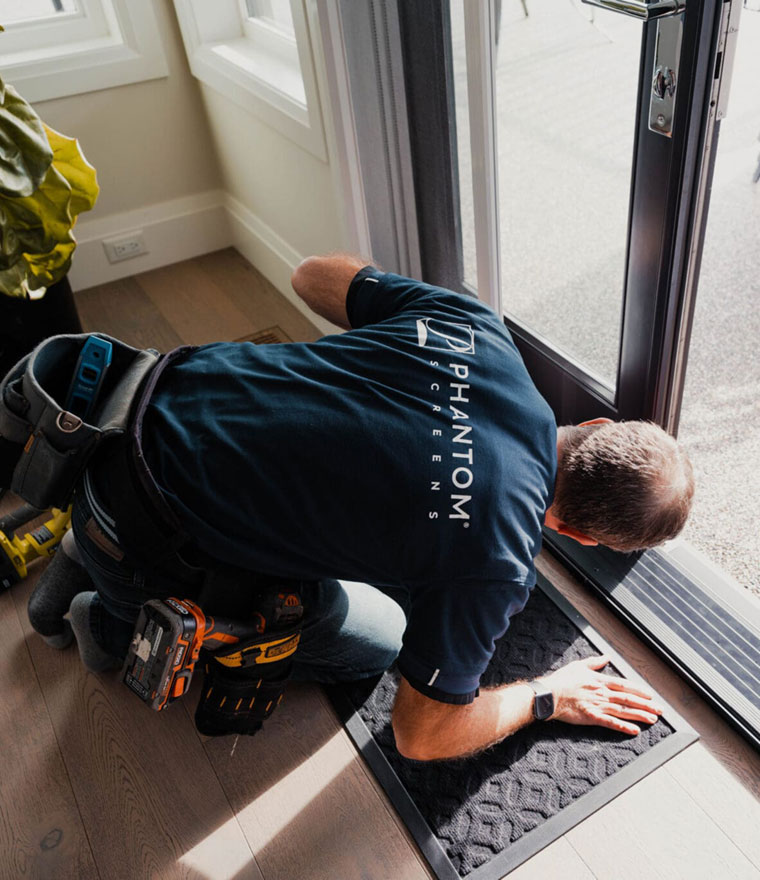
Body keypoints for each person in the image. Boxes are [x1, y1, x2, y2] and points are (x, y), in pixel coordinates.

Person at [27, 253, 694, 761]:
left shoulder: (478, 331)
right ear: (582, 534)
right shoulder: (496, 564)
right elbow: (420, 736)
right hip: (140, 535)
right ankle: (110, 626)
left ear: (600, 424)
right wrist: (545, 696)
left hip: (117, 411)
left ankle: (80, 549)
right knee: (376, 639)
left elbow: (310, 275)